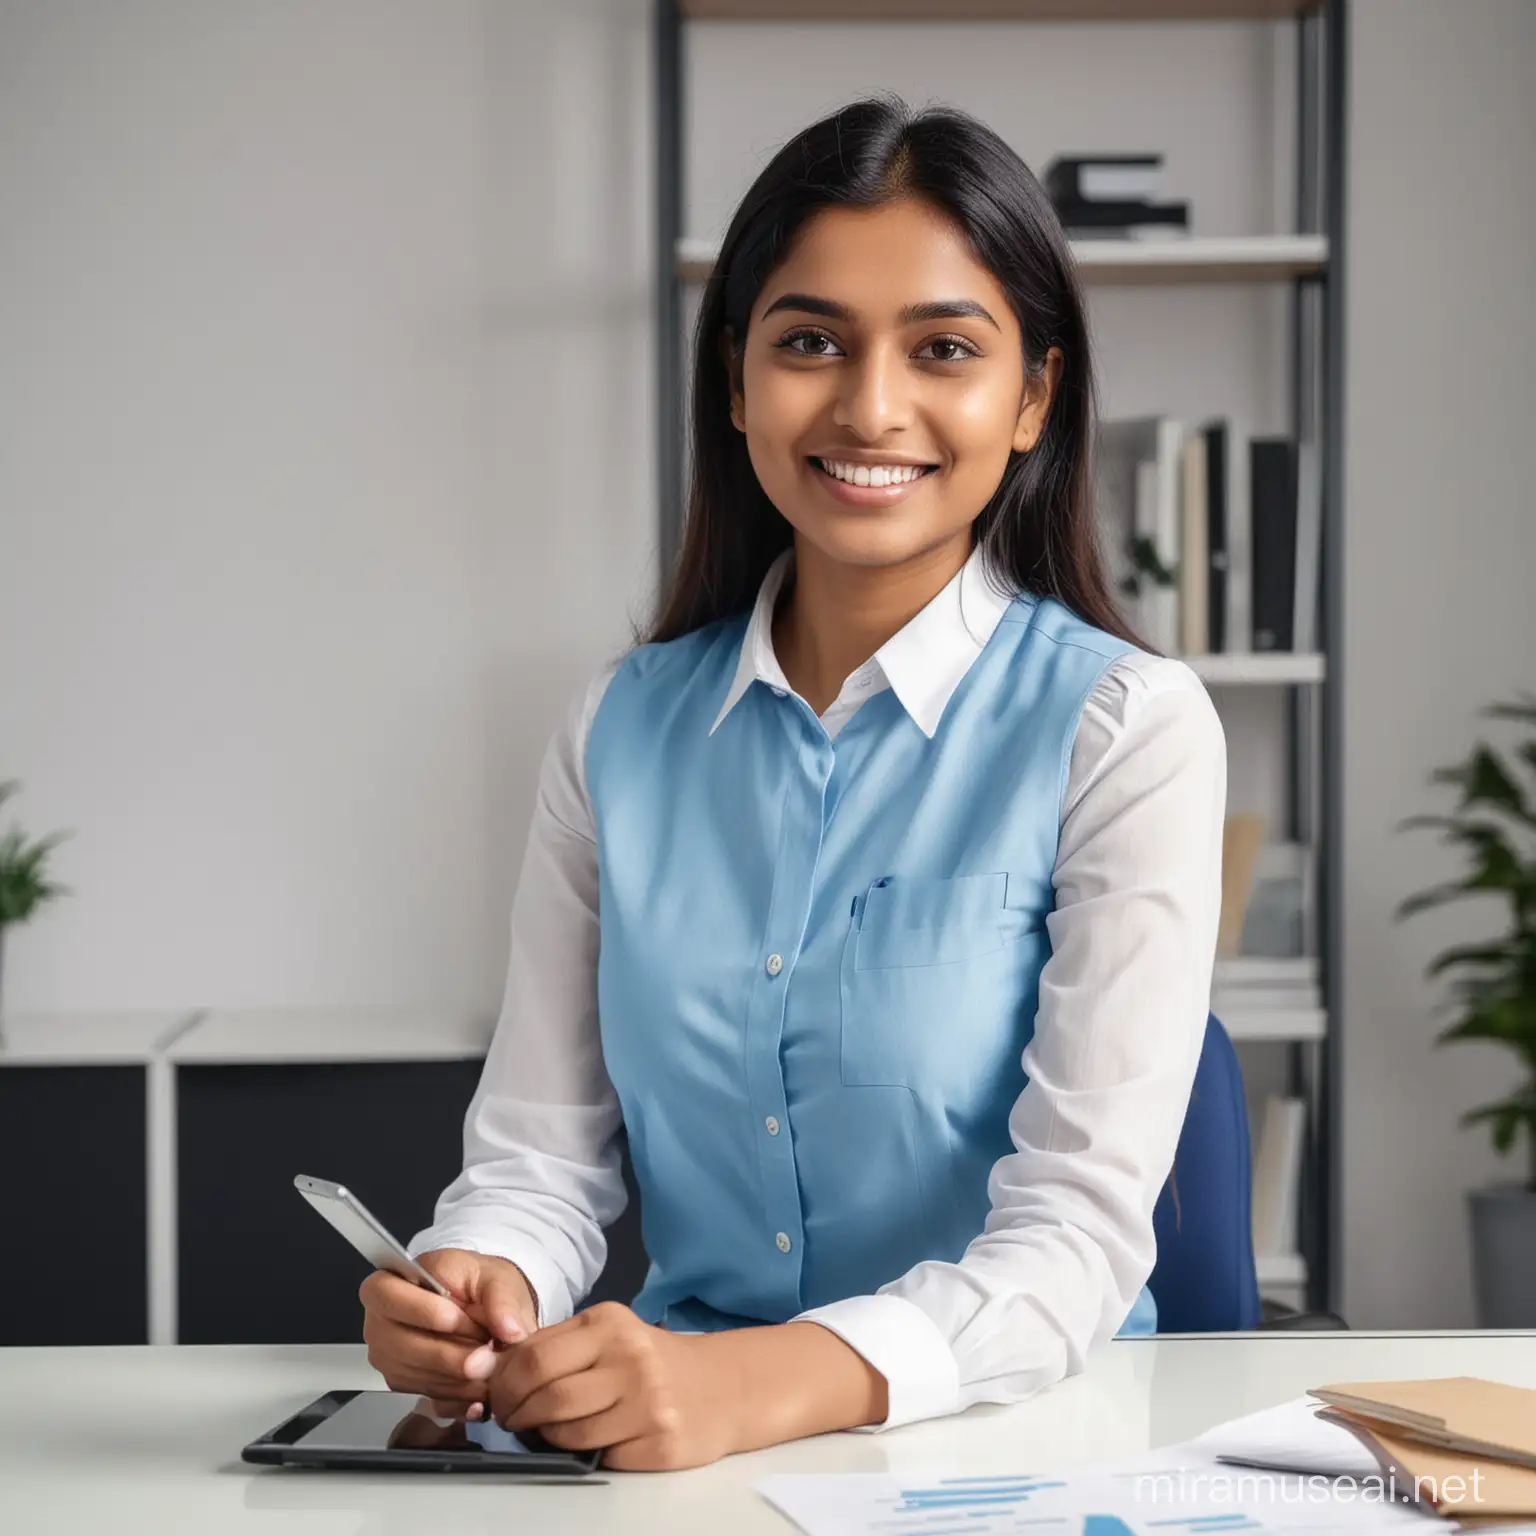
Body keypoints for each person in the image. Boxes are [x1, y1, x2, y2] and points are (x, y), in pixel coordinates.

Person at [360, 92, 1225, 1472]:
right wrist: (483, 1274)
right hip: (663, 1448)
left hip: (1010, 1448)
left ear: (1032, 400)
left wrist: (761, 1388)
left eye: (945, 349)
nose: (870, 405)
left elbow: (1073, 1241)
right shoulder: (618, 729)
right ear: (738, 381)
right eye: (810, 341)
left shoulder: (1126, 727)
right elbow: (540, 1154)